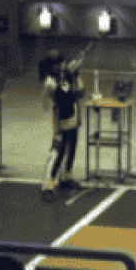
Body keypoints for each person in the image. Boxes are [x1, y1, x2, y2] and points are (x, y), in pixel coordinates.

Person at [39, 50, 86, 200]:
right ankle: (48, 184)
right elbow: (59, 97)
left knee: (72, 147)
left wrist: (75, 75)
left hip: (73, 115)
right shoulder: (50, 82)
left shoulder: (65, 76)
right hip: (61, 119)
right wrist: (67, 77)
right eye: (58, 64)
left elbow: (81, 93)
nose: (61, 66)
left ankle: (66, 176)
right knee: (57, 152)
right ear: (52, 66)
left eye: (62, 63)